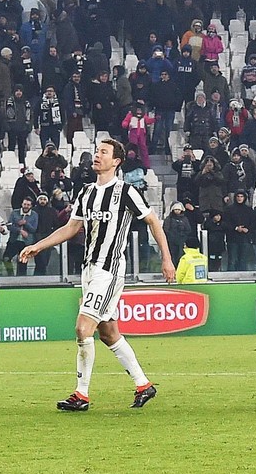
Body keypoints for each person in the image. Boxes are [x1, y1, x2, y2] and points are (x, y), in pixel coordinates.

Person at [18, 138, 176, 411]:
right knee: (108, 333)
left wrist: (167, 258)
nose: (97, 155)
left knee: (82, 328)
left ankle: (81, 395)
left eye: (104, 152)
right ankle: (143, 385)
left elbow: (153, 221)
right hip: (89, 270)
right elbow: (70, 228)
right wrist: (37, 246)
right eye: (96, 151)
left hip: (109, 269)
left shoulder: (126, 191)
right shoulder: (87, 192)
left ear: (116, 161)